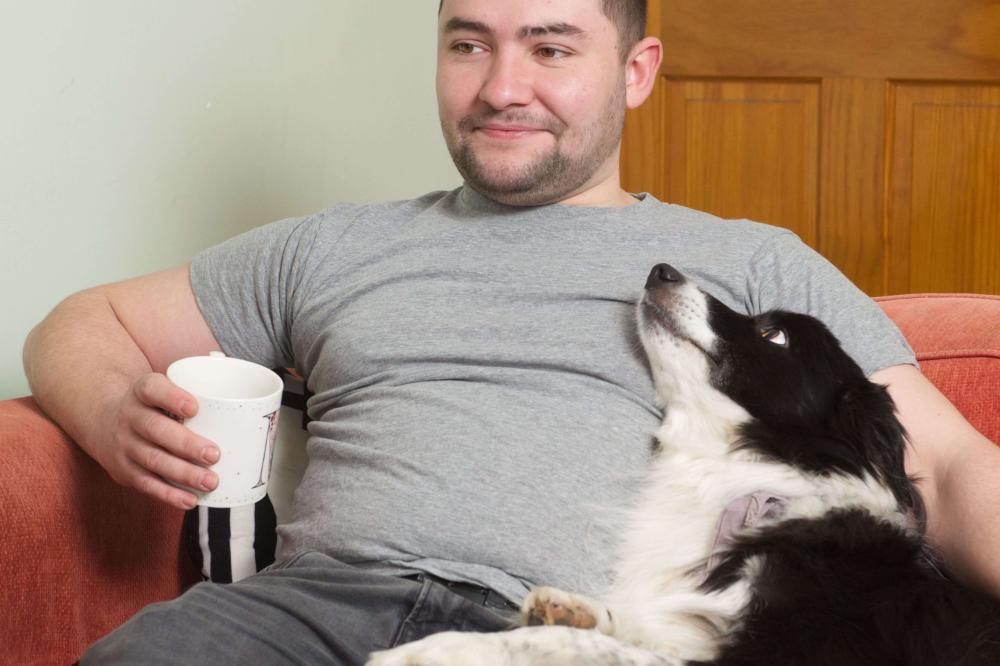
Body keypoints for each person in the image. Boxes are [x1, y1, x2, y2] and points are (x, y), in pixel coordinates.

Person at [22, 0, 1000, 663]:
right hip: (312, 613)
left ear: (635, 70)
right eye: (467, 43)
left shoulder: (747, 270)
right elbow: (83, 323)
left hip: (559, 629)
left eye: (550, 46)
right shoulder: (333, 246)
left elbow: (947, 473)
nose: (500, 86)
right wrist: (111, 407)